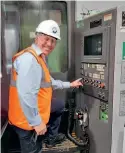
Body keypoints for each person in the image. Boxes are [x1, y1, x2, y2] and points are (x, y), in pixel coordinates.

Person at [8, 20, 83, 153]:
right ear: (37, 36)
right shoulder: (29, 60)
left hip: (30, 111)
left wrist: (70, 84)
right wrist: (37, 122)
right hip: (26, 119)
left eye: (53, 40)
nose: (49, 44)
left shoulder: (39, 57)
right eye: (46, 38)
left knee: (59, 105)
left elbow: (49, 82)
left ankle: (51, 138)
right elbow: (26, 95)